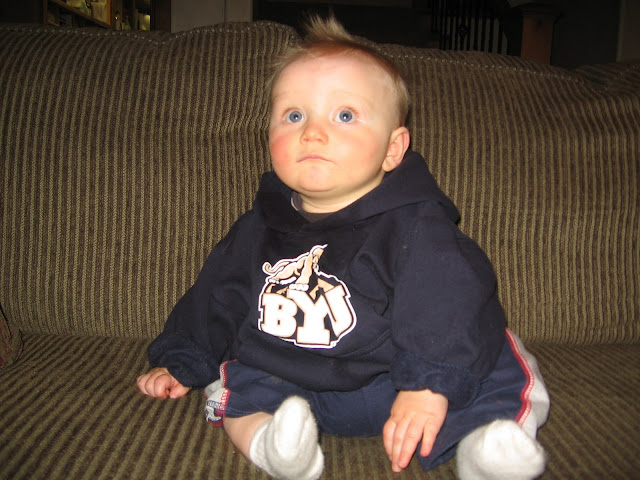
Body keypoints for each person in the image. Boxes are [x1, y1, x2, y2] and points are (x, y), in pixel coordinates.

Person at [137, 16, 550, 480]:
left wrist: (429, 383)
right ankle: (275, 447)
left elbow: (449, 300)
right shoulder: (258, 226)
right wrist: (182, 360)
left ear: (393, 149)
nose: (312, 132)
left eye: (345, 115)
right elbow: (216, 297)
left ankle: (487, 448)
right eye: (294, 116)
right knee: (234, 382)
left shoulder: (417, 224)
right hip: (292, 382)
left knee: (495, 355)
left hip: (399, 382)